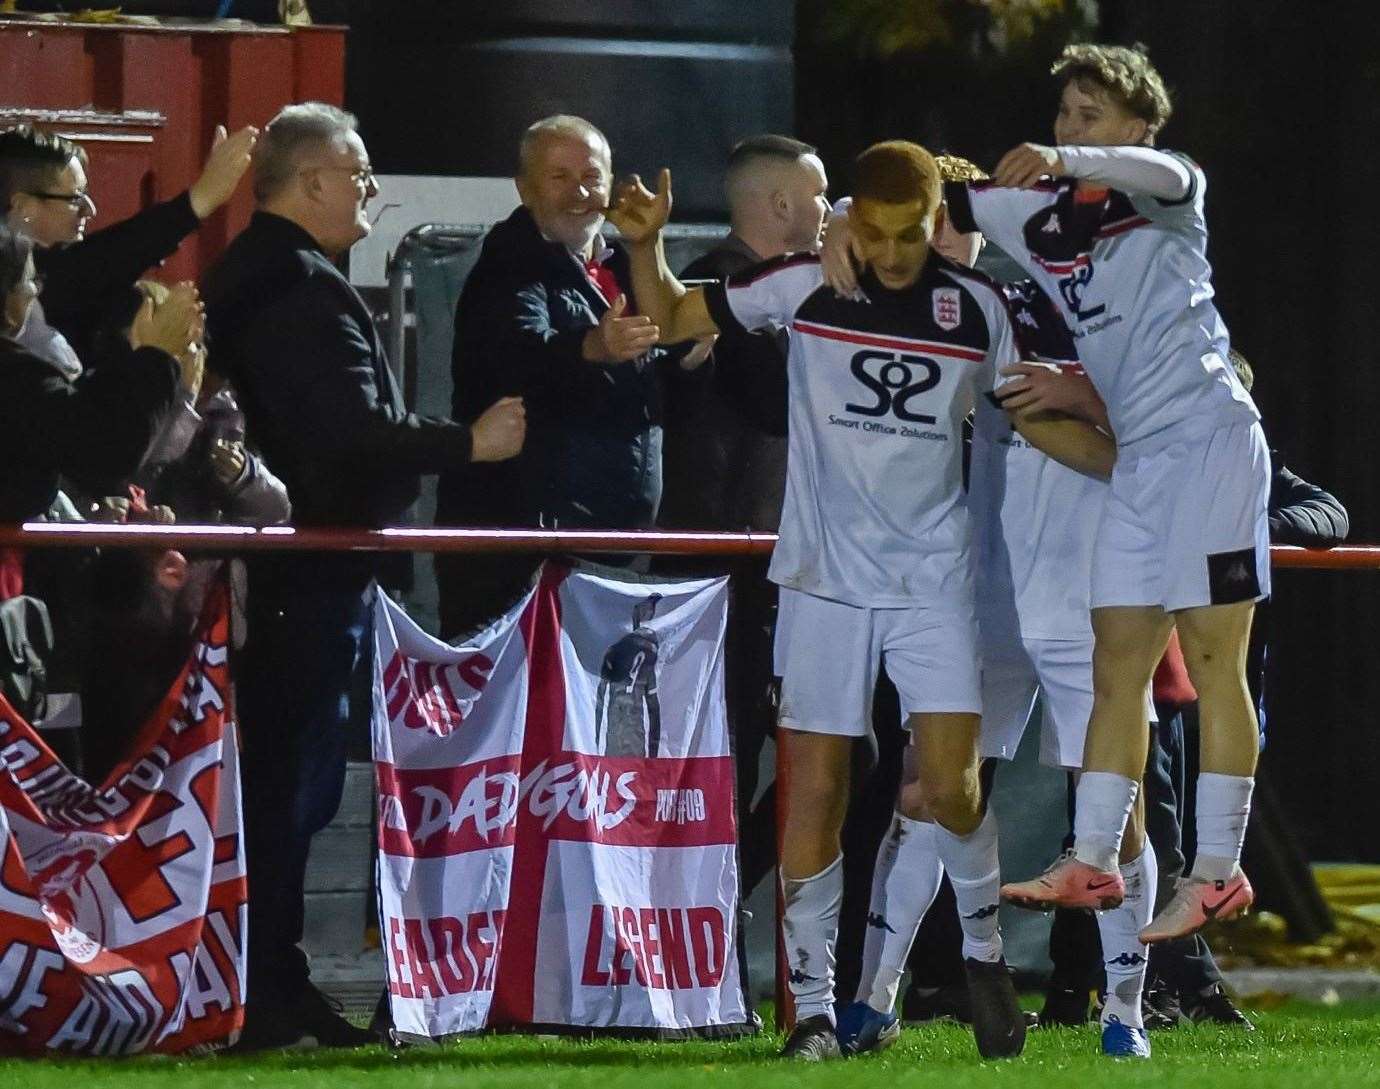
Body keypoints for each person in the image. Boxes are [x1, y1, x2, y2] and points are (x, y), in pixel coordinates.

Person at [609, 141, 1114, 1062]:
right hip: (824, 584)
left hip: (932, 586)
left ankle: (983, 956)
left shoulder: (979, 309)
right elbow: (676, 315)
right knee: (818, 792)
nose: (886, 252)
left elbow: (1033, 417)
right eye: (871, 231)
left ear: (936, 223)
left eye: (905, 233)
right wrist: (645, 249)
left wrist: (1131, 466)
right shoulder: (807, 281)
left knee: (954, 789)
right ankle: (809, 1009)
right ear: (854, 218)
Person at [824, 43, 1268, 945]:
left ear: (1137, 127)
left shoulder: (1166, 196)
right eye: (1065, 114)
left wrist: (1074, 160)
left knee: (1218, 661)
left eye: (1092, 114)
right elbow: (909, 194)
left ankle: (1219, 869)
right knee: (1117, 665)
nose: (1069, 130)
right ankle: (1095, 855)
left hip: (1210, 440)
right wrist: (838, 218)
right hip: (1140, 459)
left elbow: (1166, 170)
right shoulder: (1035, 216)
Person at [202, 102, 526, 1051]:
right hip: (309, 569)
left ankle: (274, 977)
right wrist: (471, 441)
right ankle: (265, 988)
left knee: (284, 785)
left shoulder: (259, 274)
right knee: (289, 786)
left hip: (287, 567)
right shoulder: (300, 287)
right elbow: (342, 434)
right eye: (360, 175)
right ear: (311, 183)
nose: (374, 194)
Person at [831, 154, 1156, 1060]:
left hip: (1089, 595)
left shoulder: (1051, 299)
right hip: (969, 592)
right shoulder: (873, 313)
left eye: (942, 219)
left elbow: (1177, 407)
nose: (928, 243)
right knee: (933, 791)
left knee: (1113, 804)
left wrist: (1087, 400)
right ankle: (872, 997)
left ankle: (1126, 1011)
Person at [434, 114, 707, 638]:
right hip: (524, 553)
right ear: (524, 187)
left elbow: (661, 347)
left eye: (592, 176)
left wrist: (691, 351)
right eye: (559, 177)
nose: (580, 192)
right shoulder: (507, 265)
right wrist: (592, 346)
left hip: (609, 551)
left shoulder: (621, 264)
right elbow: (516, 354)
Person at [659, 133, 829, 895]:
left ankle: (719, 907)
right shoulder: (710, 291)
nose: (828, 212)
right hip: (720, 569)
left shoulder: (794, 293)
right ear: (783, 203)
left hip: (777, 570)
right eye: (820, 196)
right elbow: (773, 404)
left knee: (822, 758)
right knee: (719, 759)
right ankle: (697, 928)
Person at [0, 122, 257, 367]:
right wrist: (198, 201)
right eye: (74, 199)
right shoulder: (28, 280)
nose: (89, 210)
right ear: (23, 206)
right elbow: (92, 263)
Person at [0, 223, 200, 524]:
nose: (36, 292)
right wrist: (157, 355)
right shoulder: (13, 379)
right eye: (30, 281)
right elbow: (108, 445)